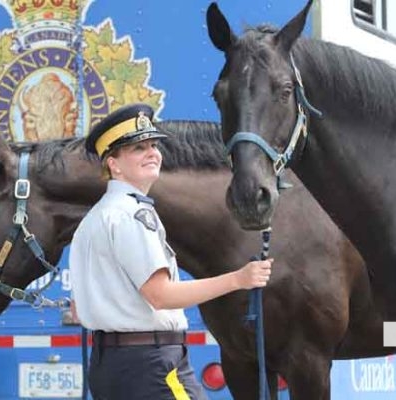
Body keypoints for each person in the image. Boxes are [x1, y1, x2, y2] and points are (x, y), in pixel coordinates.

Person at [69, 103, 273, 400]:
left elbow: (80, 306)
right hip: (152, 366)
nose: (152, 153)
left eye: (153, 145)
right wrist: (239, 279)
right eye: (138, 148)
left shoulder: (94, 218)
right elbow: (161, 295)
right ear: (113, 164)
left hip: (112, 365)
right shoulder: (133, 215)